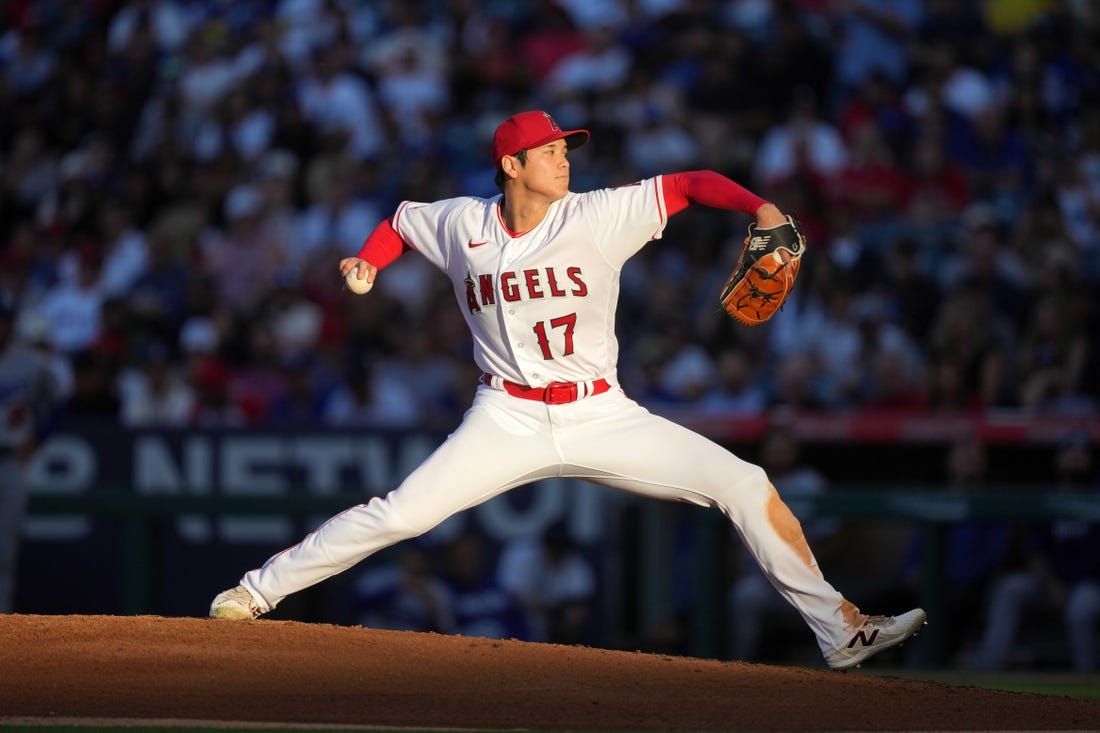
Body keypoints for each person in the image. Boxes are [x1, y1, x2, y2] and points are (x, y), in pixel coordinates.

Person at [209, 110, 926, 670]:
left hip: (602, 412)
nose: (564, 157)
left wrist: (762, 207)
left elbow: (690, 182)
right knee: (398, 515)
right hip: (505, 415)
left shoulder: (597, 214)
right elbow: (399, 221)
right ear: (511, 165)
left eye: (566, 147)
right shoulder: (462, 223)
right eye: (550, 149)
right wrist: (368, 262)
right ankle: (256, 590)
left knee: (745, 481)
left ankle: (841, 630)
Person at [971, 434, 1100, 672]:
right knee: (1010, 589)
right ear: (1058, 460)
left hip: (1089, 583)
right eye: (1069, 455)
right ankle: (986, 669)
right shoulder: (1046, 496)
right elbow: (1035, 550)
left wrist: (1070, 587)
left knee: (1080, 609)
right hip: (1050, 582)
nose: (1075, 460)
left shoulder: (1097, 494)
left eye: (1081, 456)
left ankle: (1088, 676)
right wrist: (1052, 584)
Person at [0, 292, 61, 612]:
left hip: (9, 460)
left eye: (5, 320)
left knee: (3, 553)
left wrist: (37, 439)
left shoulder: (28, 364)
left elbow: (59, 403)